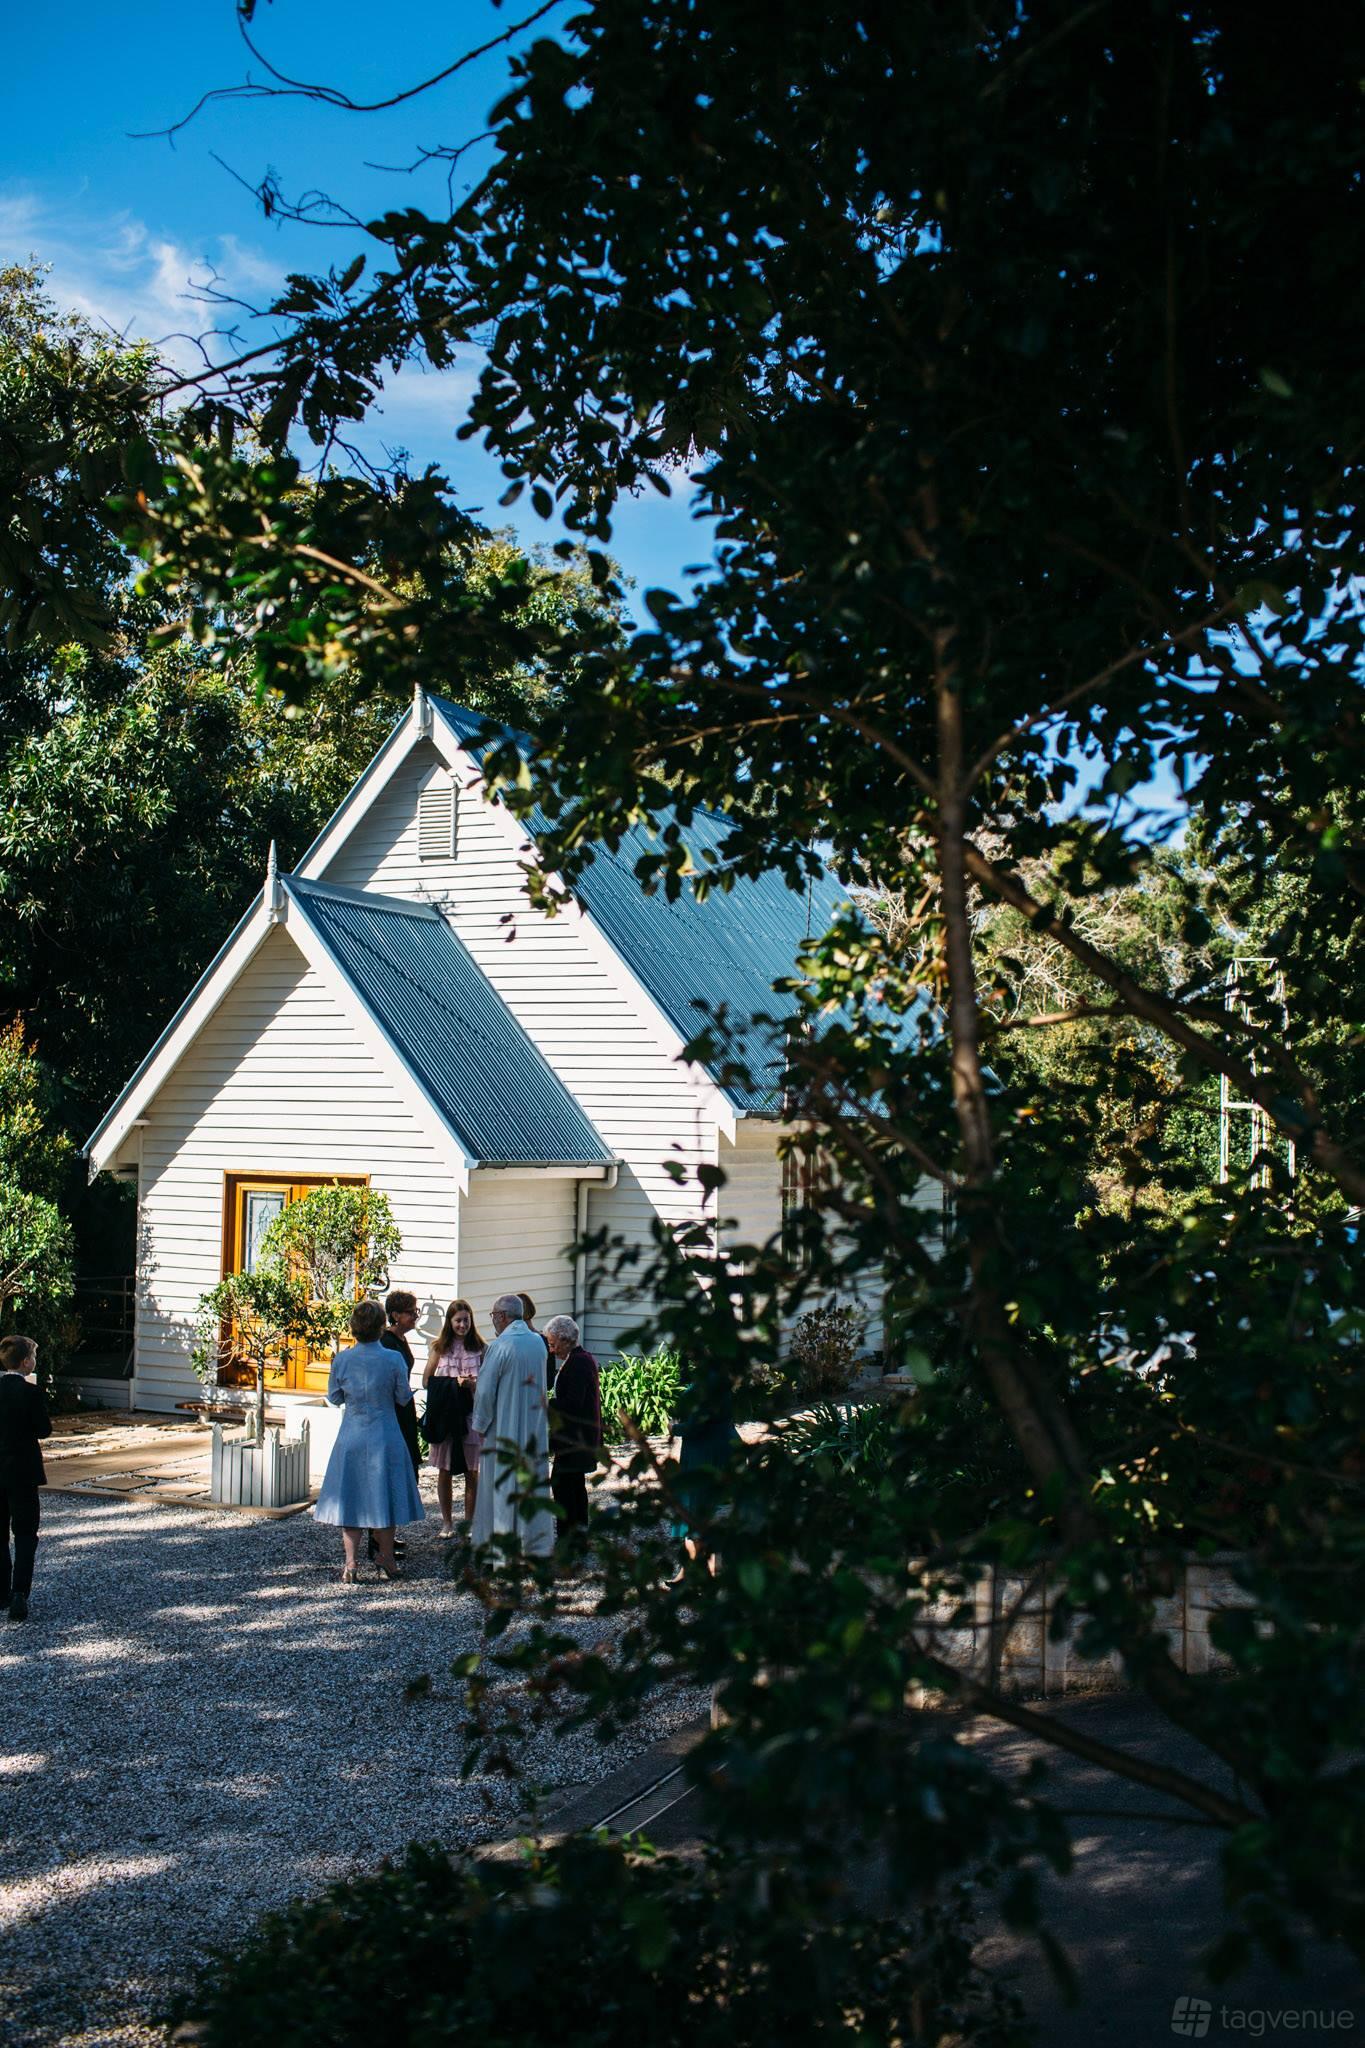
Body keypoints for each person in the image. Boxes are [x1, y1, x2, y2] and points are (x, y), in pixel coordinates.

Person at [314, 1299, 425, 1582]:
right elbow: (402, 1397)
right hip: (384, 1433)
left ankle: (350, 1563)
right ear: (379, 1326)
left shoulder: (343, 1359)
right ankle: (386, 1558)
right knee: (384, 1496)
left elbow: (334, 1397)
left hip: (352, 1433)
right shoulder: (392, 1358)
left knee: (352, 1495)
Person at [470, 1294, 553, 1557]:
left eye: (494, 1315)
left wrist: (480, 1424)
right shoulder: (538, 1343)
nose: (493, 1321)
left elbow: (484, 1391)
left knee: (502, 1486)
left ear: (504, 1317)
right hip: (533, 1426)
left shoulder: (501, 1346)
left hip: (503, 1425)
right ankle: (534, 1546)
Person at [423, 1298, 486, 1538]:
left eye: (466, 1320)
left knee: (472, 1470)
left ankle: (469, 1522)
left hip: (470, 1415)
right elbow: (426, 1381)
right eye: (458, 1320)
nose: (462, 1325)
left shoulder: (481, 1347)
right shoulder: (439, 1347)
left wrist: (472, 1384)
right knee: (445, 1470)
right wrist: (452, 1383)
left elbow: (488, 1384)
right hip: (446, 1415)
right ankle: (447, 1522)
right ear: (450, 1322)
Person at [0, 1335, 51, 1623]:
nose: (35, 1360)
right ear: (25, 1362)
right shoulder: (31, 1393)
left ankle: (1, 1591)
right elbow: (43, 1430)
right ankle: (19, 1592)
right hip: (23, 1471)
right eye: (33, 1355)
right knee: (25, 1534)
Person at [544, 1314, 601, 1542]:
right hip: (578, 1437)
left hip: (574, 1439)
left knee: (564, 1487)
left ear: (565, 1339)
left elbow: (573, 1404)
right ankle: (579, 1532)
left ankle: (569, 1536)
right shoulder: (581, 1358)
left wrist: (546, 1403)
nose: (551, 1349)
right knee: (575, 1486)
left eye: (553, 1343)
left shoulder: (578, 1363)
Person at [377, 1290, 422, 1563]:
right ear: (395, 1315)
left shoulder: (401, 1340)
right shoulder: (386, 1342)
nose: (415, 1316)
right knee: (390, 1470)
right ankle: (378, 1538)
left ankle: (388, 1535)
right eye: (411, 1312)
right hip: (393, 1411)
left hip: (405, 1410)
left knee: (405, 1468)